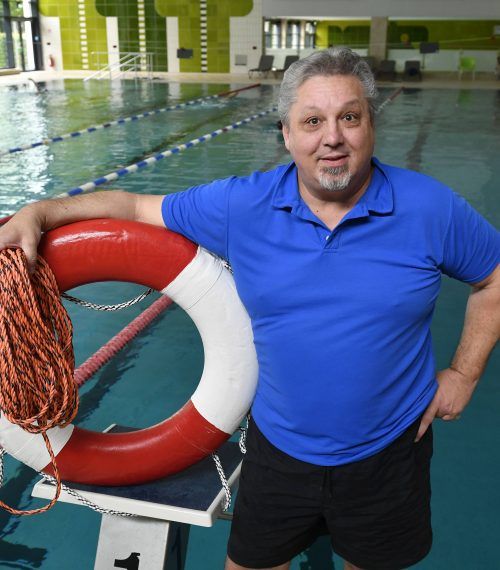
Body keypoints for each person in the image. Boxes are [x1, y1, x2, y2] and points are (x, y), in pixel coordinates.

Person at [0, 48, 499, 570]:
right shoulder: (244, 205)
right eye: (312, 121)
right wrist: (39, 212)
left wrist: (464, 374)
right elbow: (131, 206)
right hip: (279, 453)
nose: (332, 137)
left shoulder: (428, 207)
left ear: (372, 124)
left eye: (349, 117)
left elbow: (494, 276)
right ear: (287, 133)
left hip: (389, 452)